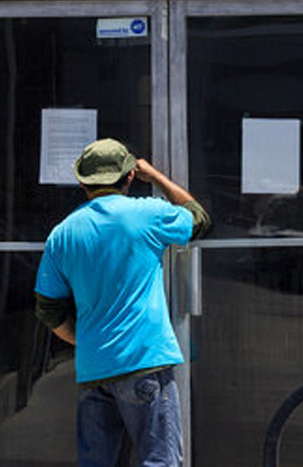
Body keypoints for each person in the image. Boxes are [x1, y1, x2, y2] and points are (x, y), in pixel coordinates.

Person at [34, 139, 211, 467]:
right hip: (144, 360)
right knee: (159, 460)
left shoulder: (62, 234)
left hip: (93, 367)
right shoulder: (147, 214)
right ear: (129, 177)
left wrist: (81, 339)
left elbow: (48, 308)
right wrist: (155, 176)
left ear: (82, 182)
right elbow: (198, 218)